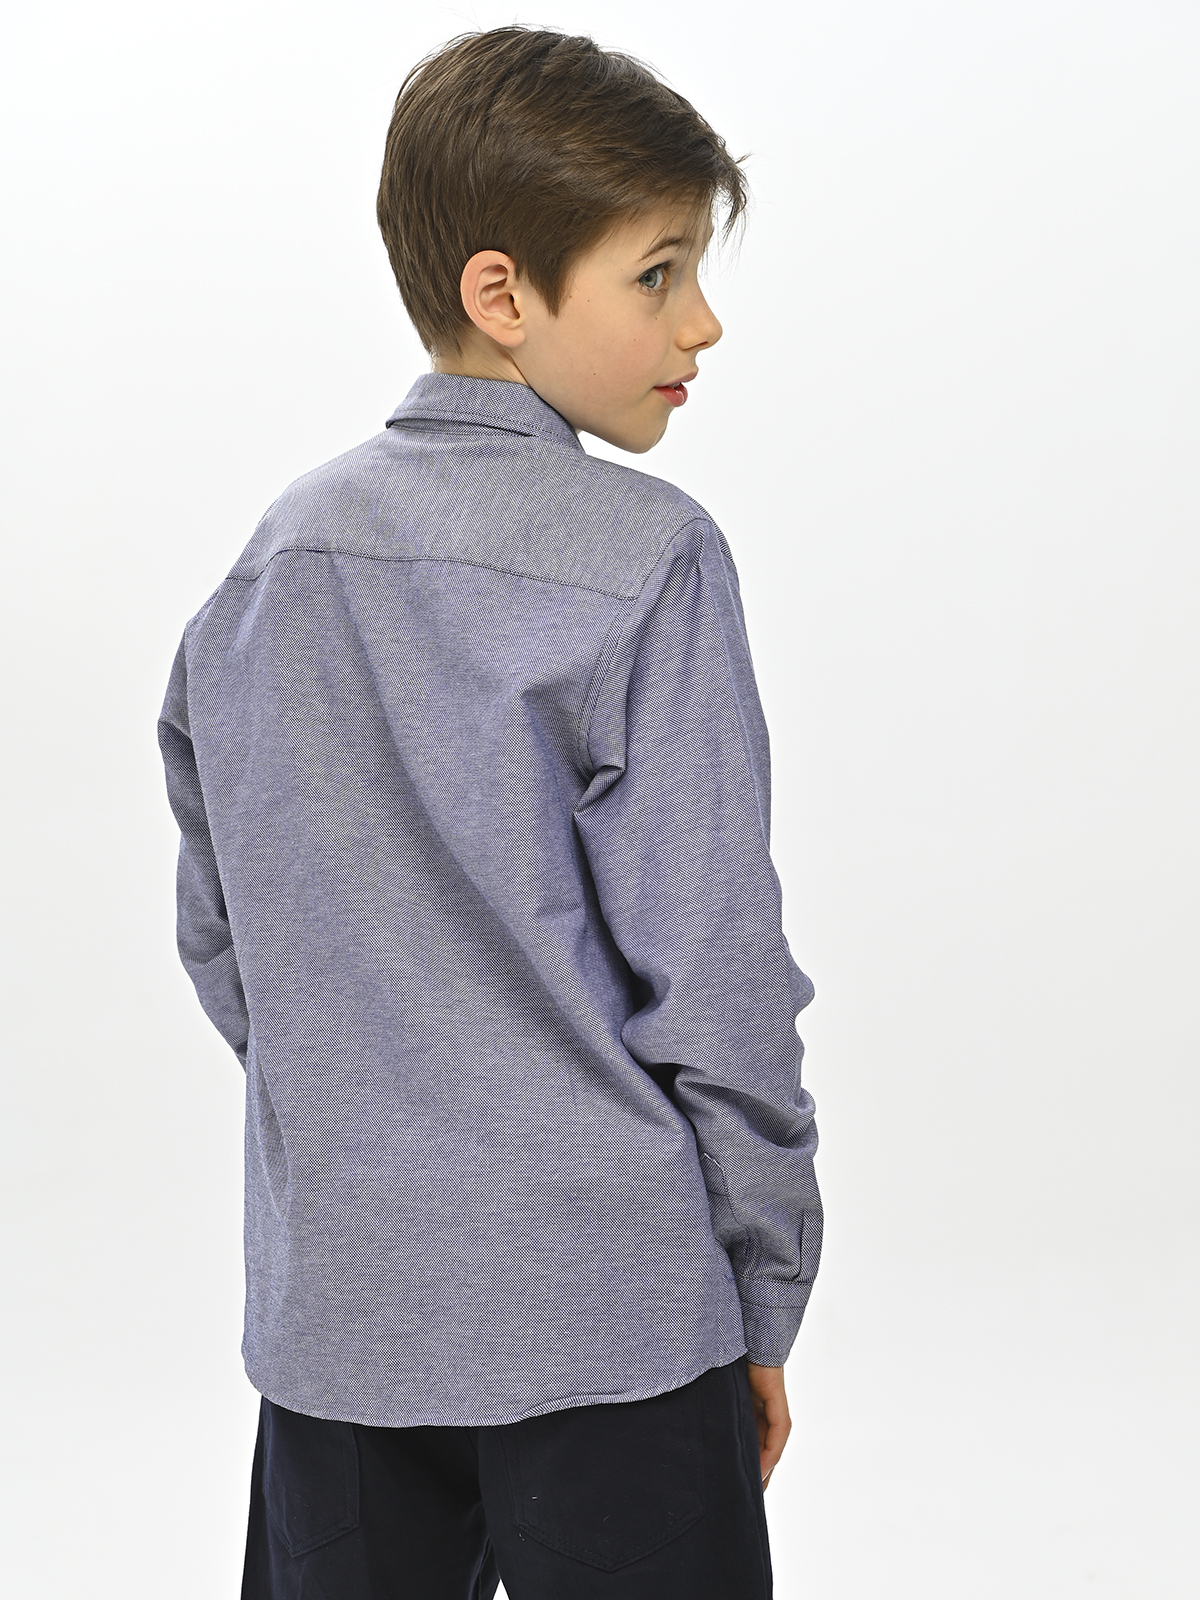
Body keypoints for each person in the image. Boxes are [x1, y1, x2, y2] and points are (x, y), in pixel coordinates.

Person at [156, 25, 822, 1600]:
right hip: (610, 1318)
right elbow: (718, 980)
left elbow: (224, 930)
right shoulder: (649, 558)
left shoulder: (276, 561)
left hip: (344, 1319)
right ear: (503, 292)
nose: (704, 321)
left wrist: (378, 1103)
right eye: (657, 274)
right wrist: (764, 1292)